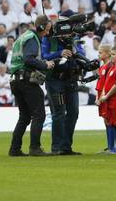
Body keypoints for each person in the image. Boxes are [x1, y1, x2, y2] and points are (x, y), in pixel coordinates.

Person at [8, 15, 55, 157]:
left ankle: (14, 149)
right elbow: (29, 58)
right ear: (41, 27)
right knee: (39, 114)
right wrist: (45, 64)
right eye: (46, 30)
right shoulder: (32, 39)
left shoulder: (24, 36)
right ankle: (35, 147)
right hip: (26, 80)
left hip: (15, 80)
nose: (47, 33)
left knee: (24, 116)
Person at [41, 25, 85, 155]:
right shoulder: (49, 39)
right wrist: (59, 53)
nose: (68, 35)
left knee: (74, 112)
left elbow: (83, 54)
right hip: (55, 80)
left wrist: (76, 52)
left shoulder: (75, 38)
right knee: (59, 113)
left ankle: (66, 147)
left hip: (71, 79)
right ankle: (57, 147)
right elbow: (44, 55)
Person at [97, 44, 116, 153]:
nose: (112, 56)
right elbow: (106, 83)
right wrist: (103, 94)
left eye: (113, 54)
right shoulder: (113, 67)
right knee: (113, 122)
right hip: (110, 99)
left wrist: (106, 95)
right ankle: (114, 147)